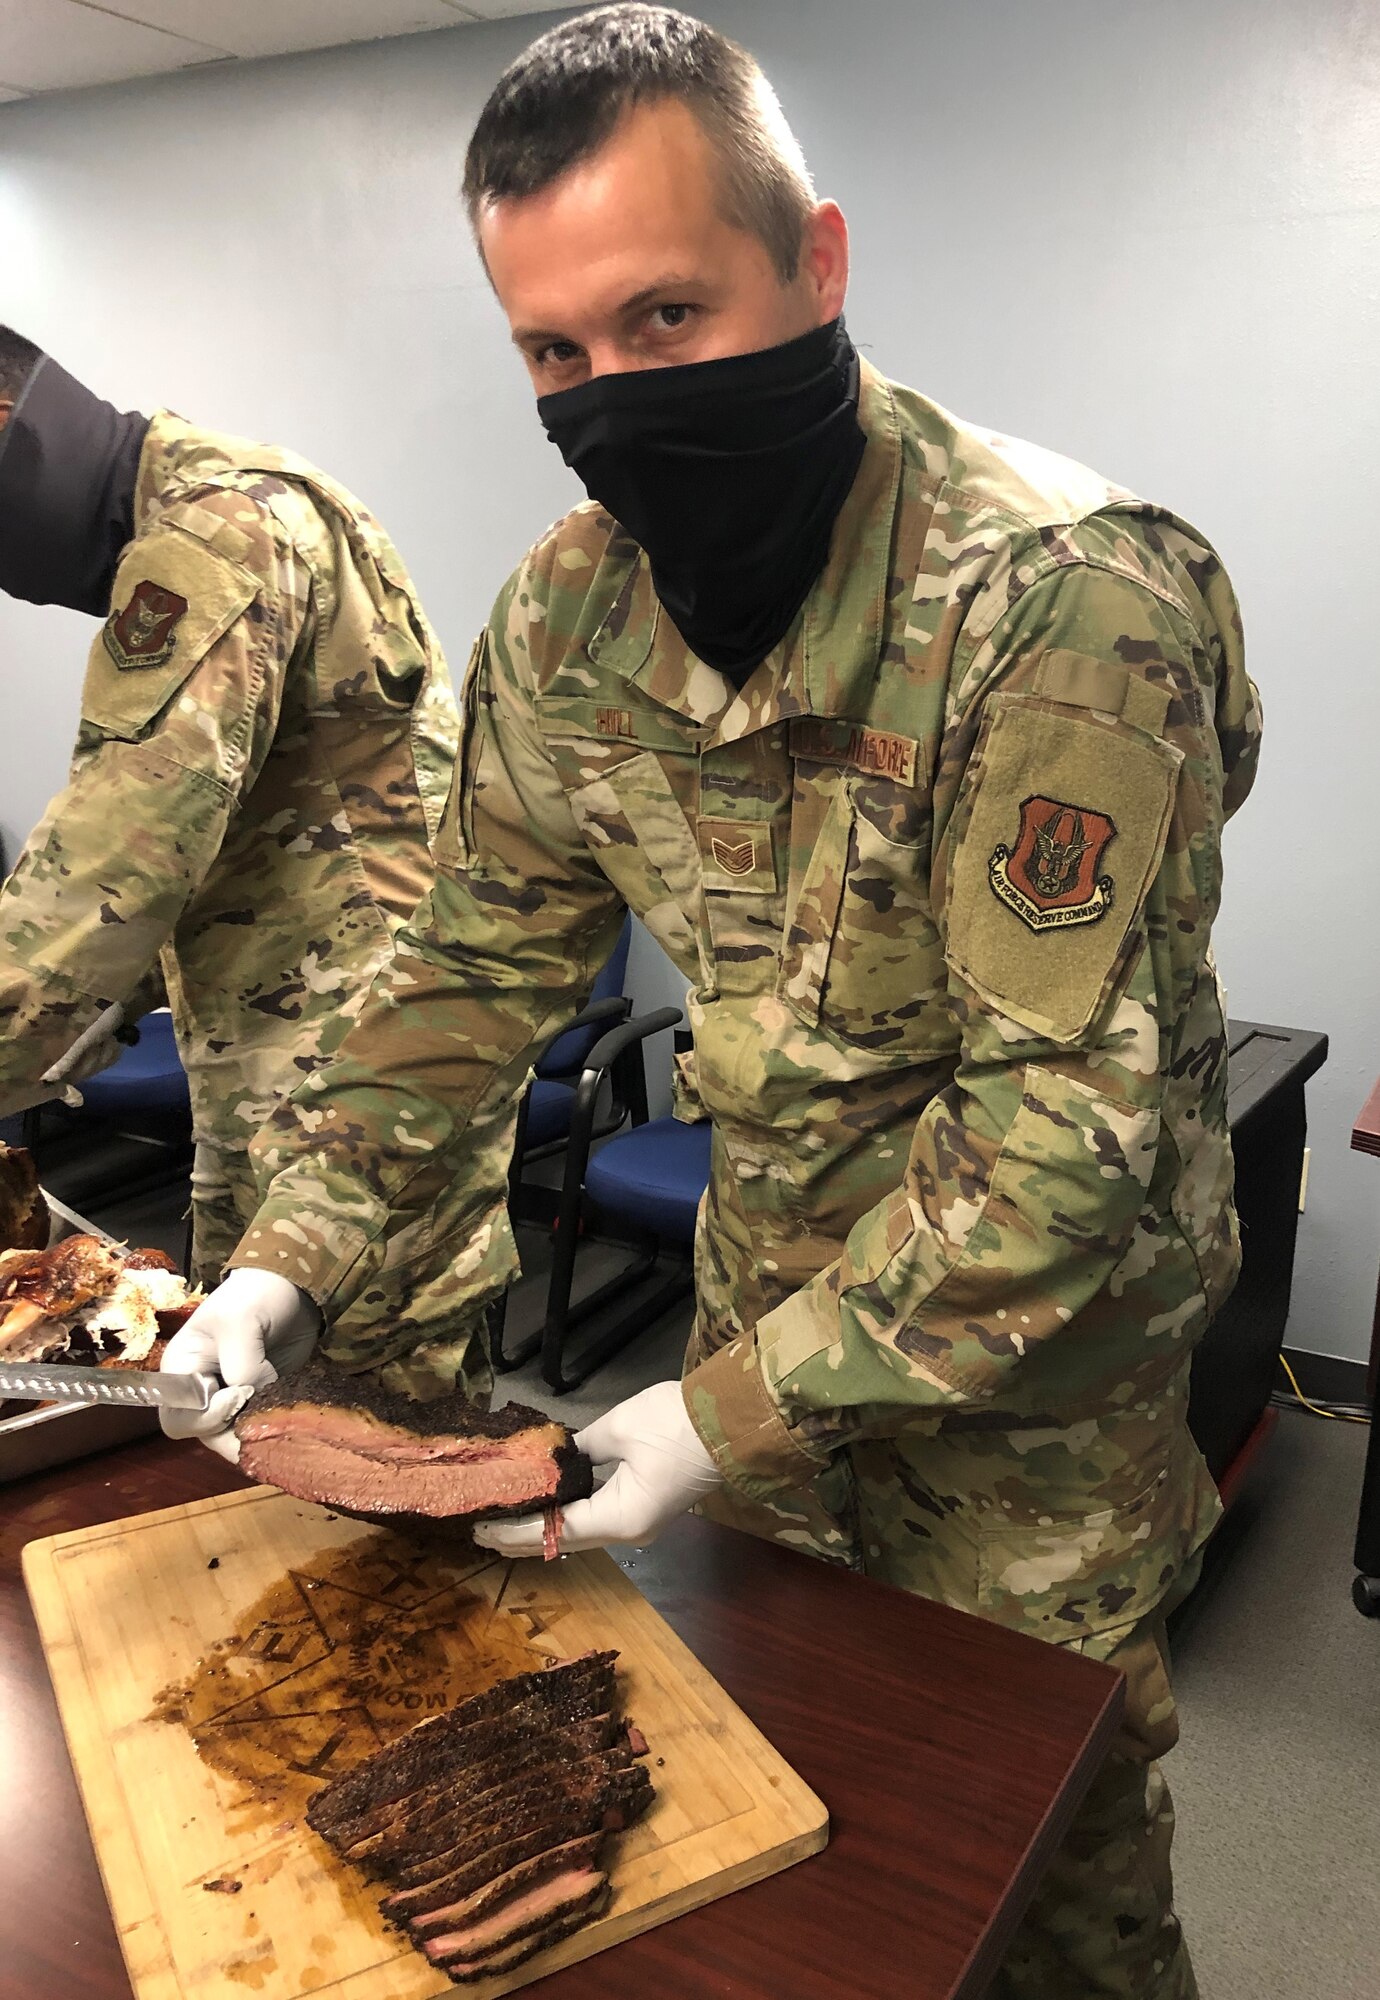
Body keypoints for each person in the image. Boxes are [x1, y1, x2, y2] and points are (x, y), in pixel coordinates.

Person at [163, 8, 1262, 1993]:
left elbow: (1061, 1143)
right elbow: (465, 970)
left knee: (1054, 1882)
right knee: (808, 1871)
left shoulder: (1058, 603)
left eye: (666, 318)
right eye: (554, 354)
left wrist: (708, 1412)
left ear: (816, 265)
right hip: (771, 1337)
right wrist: (285, 1267)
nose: (610, 395)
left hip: (1034, 1412)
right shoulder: (574, 613)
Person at [0, 329, 465, 1392]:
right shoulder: (231, 491)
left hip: (341, 1085)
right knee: (235, 1401)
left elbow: (109, 871)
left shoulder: (211, 534)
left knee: (349, 1436)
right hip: (298, 1046)